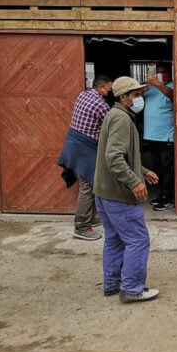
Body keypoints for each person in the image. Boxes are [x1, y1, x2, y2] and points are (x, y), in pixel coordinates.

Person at [94, 76, 160, 303]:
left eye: (141, 94)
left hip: (104, 193)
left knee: (114, 239)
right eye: (136, 95)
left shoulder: (115, 115)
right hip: (118, 194)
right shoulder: (122, 119)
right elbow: (114, 158)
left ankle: (112, 284)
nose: (141, 99)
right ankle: (132, 288)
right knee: (138, 240)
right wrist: (134, 181)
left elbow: (119, 154)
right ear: (123, 97)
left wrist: (141, 171)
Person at [58, 75, 113, 241]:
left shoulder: (83, 95)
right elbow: (111, 125)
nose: (109, 92)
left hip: (73, 145)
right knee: (87, 186)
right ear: (100, 88)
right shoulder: (101, 106)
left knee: (92, 182)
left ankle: (91, 217)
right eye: (108, 89)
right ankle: (81, 226)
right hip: (84, 148)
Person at [144, 62, 175, 211]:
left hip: (166, 137)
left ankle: (170, 198)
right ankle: (162, 195)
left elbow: (174, 97)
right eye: (157, 72)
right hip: (151, 135)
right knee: (157, 169)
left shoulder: (173, 85)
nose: (159, 75)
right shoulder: (151, 88)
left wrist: (158, 83)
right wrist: (143, 89)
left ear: (169, 73)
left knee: (168, 168)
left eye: (162, 72)